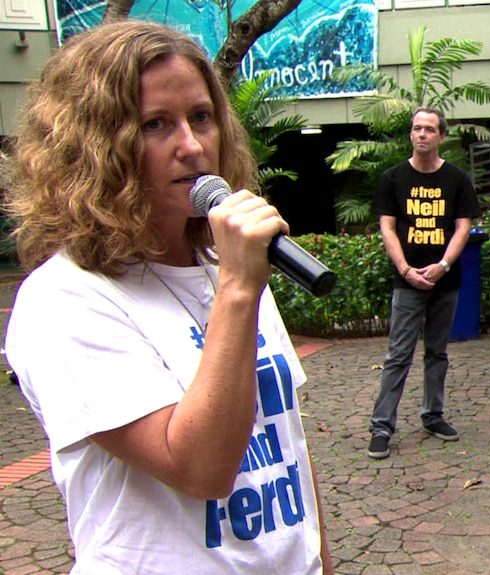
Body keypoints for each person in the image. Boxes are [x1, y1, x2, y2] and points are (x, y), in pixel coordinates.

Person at [2, 21, 332, 574]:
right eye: (156, 124)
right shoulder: (64, 299)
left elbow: (285, 442)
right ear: (95, 146)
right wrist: (237, 290)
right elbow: (201, 468)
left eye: (201, 117)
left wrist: (317, 560)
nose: (193, 145)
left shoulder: (225, 266)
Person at [366, 107, 481, 460]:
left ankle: (433, 415)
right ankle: (382, 425)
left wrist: (444, 265)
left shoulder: (457, 179)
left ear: (441, 136)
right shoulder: (393, 178)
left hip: (446, 281)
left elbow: (462, 227)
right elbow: (387, 226)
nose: (421, 135)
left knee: (437, 352)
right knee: (398, 355)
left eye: (429, 129)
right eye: (416, 129)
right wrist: (405, 270)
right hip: (407, 282)